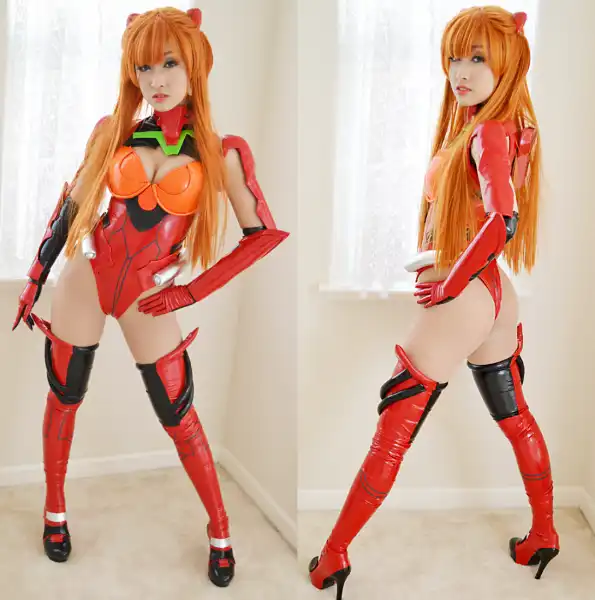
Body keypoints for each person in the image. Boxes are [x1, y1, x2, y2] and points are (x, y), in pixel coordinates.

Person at [12, 7, 288, 589]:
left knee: (179, 416)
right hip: (87, 278)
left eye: (167, 64)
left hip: (149, 296)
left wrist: (190, 290)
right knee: (64, 397)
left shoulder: (221, 151)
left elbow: (262, 235)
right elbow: (71, 206)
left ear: (195, 66)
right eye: (143, 67)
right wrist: (35, 278)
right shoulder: (113, 131)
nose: (155, 80)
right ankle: (54, 510)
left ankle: (220, 529)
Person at [308, 7, 558, 598]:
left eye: (477, 58)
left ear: (507, 63)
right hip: (495, 295)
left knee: (392, 432)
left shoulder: (487, 132)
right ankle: (544, 533)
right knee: (516, 417)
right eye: (454, 58)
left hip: (464, 294)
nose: (460, 71)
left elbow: (501, 221)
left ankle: (334, 556)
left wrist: (448, 285)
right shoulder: (508, 128)